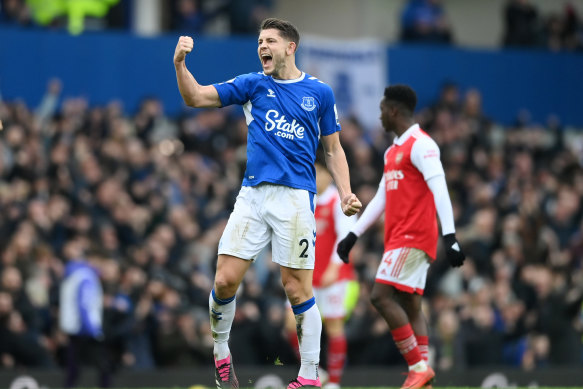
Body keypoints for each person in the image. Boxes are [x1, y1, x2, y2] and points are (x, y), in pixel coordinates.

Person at [173, 17, 362, 389]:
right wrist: (180, 64)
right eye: (260, 40)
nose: (262, 46)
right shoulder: (253, 85)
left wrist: (345, 193)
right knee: (225, 281)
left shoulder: (319, 93)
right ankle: (222, 354)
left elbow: (333, 149)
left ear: (290, 47)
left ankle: (309, 376)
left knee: (296, 289)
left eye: (270, 40)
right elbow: (195, 97)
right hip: (253, 195)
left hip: (295, 199)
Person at [336, 85, 465, 389]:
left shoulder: (422, 144)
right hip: (398, 237)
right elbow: (382, 196)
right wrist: (353, 234)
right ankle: (424, 377)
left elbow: (440, 187)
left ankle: (418, 368)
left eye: (382, 109)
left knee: (380, 296)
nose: (379, 115)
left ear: (393, 110)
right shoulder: (392, 151)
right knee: (410, 304)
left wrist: (450, 237)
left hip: (414, 236)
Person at [285, 154, 358, 388]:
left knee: (334, 326)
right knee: (290, 325)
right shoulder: (303, 198)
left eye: (318, 172)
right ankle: (318, 373)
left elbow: (348, 236)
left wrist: (335, 267)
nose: (314, 178)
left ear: (329, 174)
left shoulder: (339, 199)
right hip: (306, 275)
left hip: (333, 277)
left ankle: (334, 382)